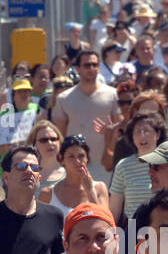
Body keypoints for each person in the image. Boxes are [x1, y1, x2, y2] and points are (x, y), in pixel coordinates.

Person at [39, 135, 110, 254]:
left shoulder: (99, 188)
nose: (77, 161)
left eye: (81, 156)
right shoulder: (47, 194)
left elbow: (107, 227)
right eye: (71, 156)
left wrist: (90, 191)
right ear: (62, 159)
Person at [52, 51, 121, 181]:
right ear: (78, 68)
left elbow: (119, 130)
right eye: (87, 65)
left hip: (105, 165)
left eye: (95, 65)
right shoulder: (64, 98)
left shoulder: (112, 95)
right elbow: (60, 136)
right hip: (74, 165)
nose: (91, 68)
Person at [108, 111, 168, 222]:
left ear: (158, 134)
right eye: (137, 132)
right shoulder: (123, 166)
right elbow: (114, 210)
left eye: (146, 131)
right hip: (133, 232)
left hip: (164, 231)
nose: (142, 136)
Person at [26, 117, 65, 191]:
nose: (50, 143)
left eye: (53, 139)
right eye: (44, 140)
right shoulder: (27, 174)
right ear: (34, 144)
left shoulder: (71, 172)